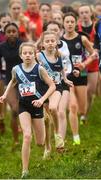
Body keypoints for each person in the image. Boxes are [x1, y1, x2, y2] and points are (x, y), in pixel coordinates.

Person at [0, 42, 55, 178]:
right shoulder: (16, 69)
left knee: (39, 143)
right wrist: (5, 95)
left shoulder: (40, 69)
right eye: (25, 53)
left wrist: (42, 100)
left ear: (34, 54)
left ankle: (46, 136)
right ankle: (25, 171)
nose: (28, 55)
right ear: (21, 55)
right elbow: (12, 81)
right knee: (27, 135)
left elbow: (52, 86)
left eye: (30, 53)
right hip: (23, 106)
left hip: (37, 105)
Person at [37, 31, 73, 156]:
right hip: (43, 89)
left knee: (53, 108)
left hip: (57, 87)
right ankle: (47, 147)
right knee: (46, 121)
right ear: (42, 44)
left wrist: (66, 79)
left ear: (57, 42)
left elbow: (62, 69)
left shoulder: (60, 54)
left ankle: (58, 135)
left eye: (52, 41)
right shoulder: (39, 56)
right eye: (47, 41)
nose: (50, 43)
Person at [62, 12, 95, 145]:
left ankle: (82, 117)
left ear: (76, 23)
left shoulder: (82, 39)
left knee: (82, 109)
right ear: (63, 24)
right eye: (67, 22)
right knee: (73, 107)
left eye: (72, 22)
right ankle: (76, 137)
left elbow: (94, 54)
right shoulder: (59, 40)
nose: (69, 24)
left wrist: (83, 64)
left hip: (80, 76)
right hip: (67, 77)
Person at [0, 22, 23, 145]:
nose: (11, 33)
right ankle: (16, 140)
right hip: (10, 81)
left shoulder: (23, 44)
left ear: (18, 32)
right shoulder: (0, 47)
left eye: (14, 31)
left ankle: (29, 131)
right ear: (5, 34)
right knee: (15, 109)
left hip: (25, 80)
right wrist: (3, 72)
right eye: (9, 31)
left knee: (26, 108)